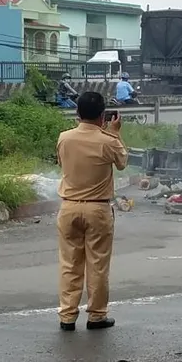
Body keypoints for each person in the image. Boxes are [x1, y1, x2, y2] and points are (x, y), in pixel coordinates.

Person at [56, 91, 128, 331]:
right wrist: (114, 132)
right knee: (97, 265)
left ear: (77, 113)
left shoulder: (64, 138)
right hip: (97, 208)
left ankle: (67, 316)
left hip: (68, 207)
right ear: (102, 116)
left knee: (69, 264)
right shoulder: (107, 140)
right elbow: (122, 163)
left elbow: (61, 162)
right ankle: (96, 315)